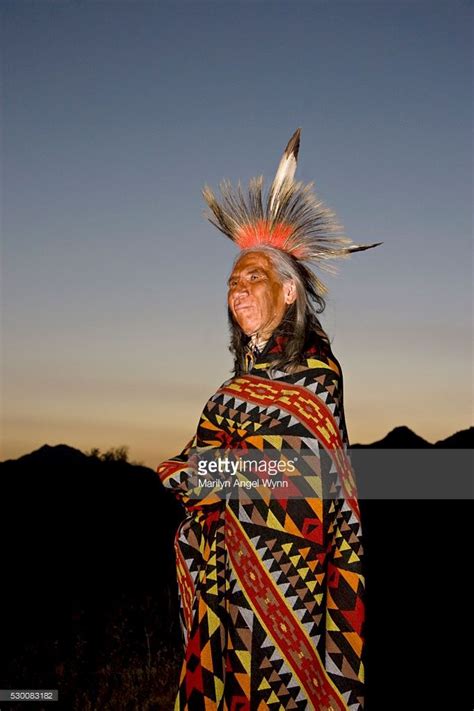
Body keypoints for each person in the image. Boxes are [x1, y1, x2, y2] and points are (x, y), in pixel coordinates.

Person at [157, 129, 381, 711]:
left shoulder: (315, 379)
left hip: (295, 582)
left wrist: (200, 474)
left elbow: (304, 476)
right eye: (232, 279)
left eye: (253, 275)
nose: (238, 286)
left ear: (288, 290)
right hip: (227, 584)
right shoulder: (235, 389)